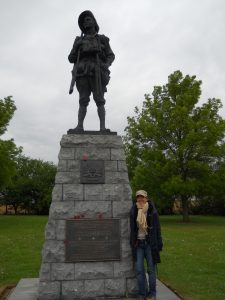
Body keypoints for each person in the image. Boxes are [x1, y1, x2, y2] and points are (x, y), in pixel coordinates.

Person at [68, 10, 115, 132]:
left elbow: (111, 55)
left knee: (99, 100)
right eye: (84, 21)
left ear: (94, 22)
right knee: (83, 100)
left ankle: (102, 128)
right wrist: (77, 46)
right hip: (82, 71)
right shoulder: (78, 40)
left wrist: (106, 65)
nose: (85, 22)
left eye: (88, 19)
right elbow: (71, 58)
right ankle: (79, 126)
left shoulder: (102, 39)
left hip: (97, 70)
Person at [130, 190, 163, 300]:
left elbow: (157, 229)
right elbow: (132, 229)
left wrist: (159, 244)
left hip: (149, 244)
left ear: (146, 198)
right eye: (138, 197)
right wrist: (132, 242)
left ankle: (152, 293)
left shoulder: (152, 211)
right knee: (139, 270)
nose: (140, 199)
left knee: (151, 270)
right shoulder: (134, 210)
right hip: (138, 244)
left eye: (142, 197)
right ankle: (142, 294)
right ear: (136, 198)